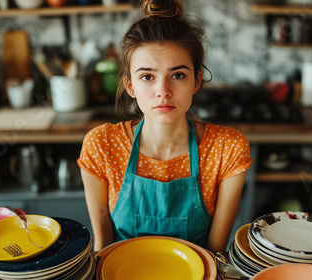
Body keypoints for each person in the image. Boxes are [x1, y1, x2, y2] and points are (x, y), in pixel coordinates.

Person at [77, 0, 252, 252]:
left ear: (196, 81)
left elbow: (215, 254)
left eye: (178, 75)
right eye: (147, 76)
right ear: (130, 86)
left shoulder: (227, 149)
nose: (163, 92)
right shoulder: (101, 146)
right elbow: (103, 249)